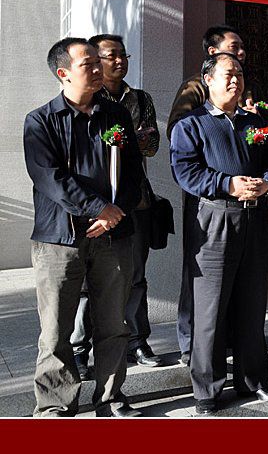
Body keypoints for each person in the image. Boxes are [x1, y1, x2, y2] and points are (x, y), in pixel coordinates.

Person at [25, 38, 144, 417]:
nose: (97, 68)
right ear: (63, 73)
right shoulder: (41, 121)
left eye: (97, 61)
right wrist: (99, 208)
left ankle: (110, 398)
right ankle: (55, 405)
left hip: (113, 236)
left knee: (114, 323)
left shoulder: (116, 116)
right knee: (56, 330)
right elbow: (50, 178)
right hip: (59, 239)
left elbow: (134, 173)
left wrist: (116, 212)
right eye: (88, 64)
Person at [169, 52, 268, 416]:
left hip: (254, 220)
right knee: (210, 309)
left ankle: (254, 379)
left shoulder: (255, 121)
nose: (235, 80)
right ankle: (206, 389)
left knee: (252, 305)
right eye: (227, 74)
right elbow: (185, 172)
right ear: (207, 80)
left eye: (239, 75)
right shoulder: (191, 124)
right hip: (214, 221)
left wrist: (267, 183)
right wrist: (227, 184)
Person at [69, 35, 163, 378]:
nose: (119, 61)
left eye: (123, 55)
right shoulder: (90, 100)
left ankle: (138, 341)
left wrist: (130, 141)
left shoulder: (140, 98)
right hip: (93, 204)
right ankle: (79, 349)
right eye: (111, 56)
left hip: (133, 200)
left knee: (135, 275)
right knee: (85, 283)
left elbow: (151, 145)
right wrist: (129, 139)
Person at [167, 25, 251, 366]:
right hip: (207, 199)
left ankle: (226, 341)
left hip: (243, 204)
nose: (240, 52)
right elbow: (179, 133)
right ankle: (192, 344)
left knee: (236, 283)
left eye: (241, 47)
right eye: (233, 46)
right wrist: (220, 180)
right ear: (212, 52)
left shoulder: (241, 86)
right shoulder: (195, 88)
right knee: (200, 279)